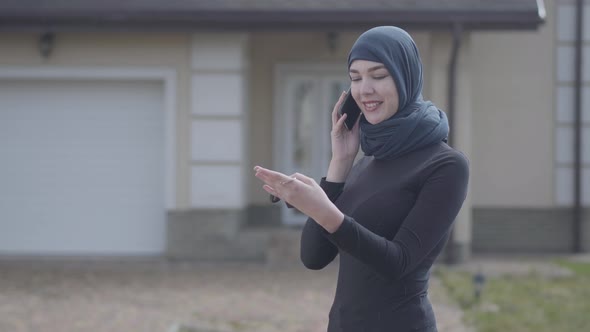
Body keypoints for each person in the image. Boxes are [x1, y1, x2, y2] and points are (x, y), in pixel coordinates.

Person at [254, 26, 469, 332]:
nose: (364, 89)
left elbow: (399, 262)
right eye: (355, 78)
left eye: (378, 76)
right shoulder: (364, 163)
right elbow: (313, 257)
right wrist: (340, 162)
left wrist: (323, 209)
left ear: (405, 76)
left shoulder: (446, 165)